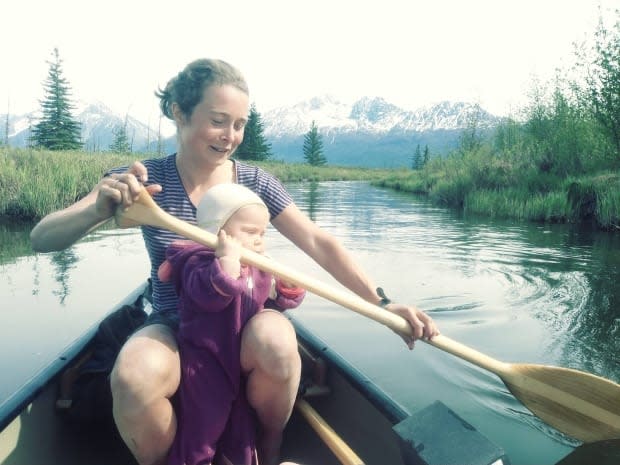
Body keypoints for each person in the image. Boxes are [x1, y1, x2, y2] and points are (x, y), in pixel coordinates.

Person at [30, 58, 439, 465]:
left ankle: (270, 445)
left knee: (278, 342)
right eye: (219, 120)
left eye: (240, 124)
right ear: (179, 112)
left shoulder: (256, 182)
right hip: (175, 323)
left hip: (248, 321)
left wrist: (381, 304)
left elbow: (318, 241)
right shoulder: (142, 182)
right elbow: (42, 237)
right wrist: (97, 209)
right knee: (133, 376)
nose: (230, 136)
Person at [160, 183, 305, 465]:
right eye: (250, 233)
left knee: (241, 428)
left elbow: (278, 300)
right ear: (217, 232)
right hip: (205, 363)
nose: (259, 241)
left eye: (262, 233)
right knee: (203, 428)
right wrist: (227, 263)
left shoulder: (260, 263)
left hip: (241, 359)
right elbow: (211, 297)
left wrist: (289, 288)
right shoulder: (197, 263)